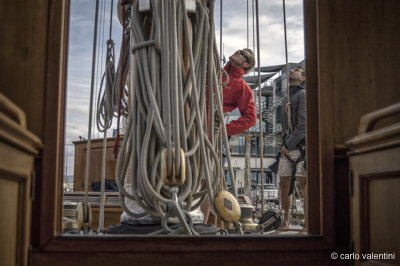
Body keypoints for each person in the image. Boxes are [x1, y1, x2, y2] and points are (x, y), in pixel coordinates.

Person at [201, 48, 257, 223]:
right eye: (238, 50)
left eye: (242, 54)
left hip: (210, 137)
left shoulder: (242, 87)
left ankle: (201, 224)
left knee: (206, 181)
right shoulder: (211, 72)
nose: (237, 52)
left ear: (246, 64)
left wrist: (223, 130)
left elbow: (250, 118)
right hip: (188, 128)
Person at [278, 66, 307, 229]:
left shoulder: (302, 95)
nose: (291, 71)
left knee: (303, 182)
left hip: (299, 146)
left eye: (296, 70)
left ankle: (308, 223)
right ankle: (286, 221)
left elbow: (303, 125)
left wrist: (288, 145)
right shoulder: (286, 97)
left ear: (303, 78)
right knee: (284, 184)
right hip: (288, 146)